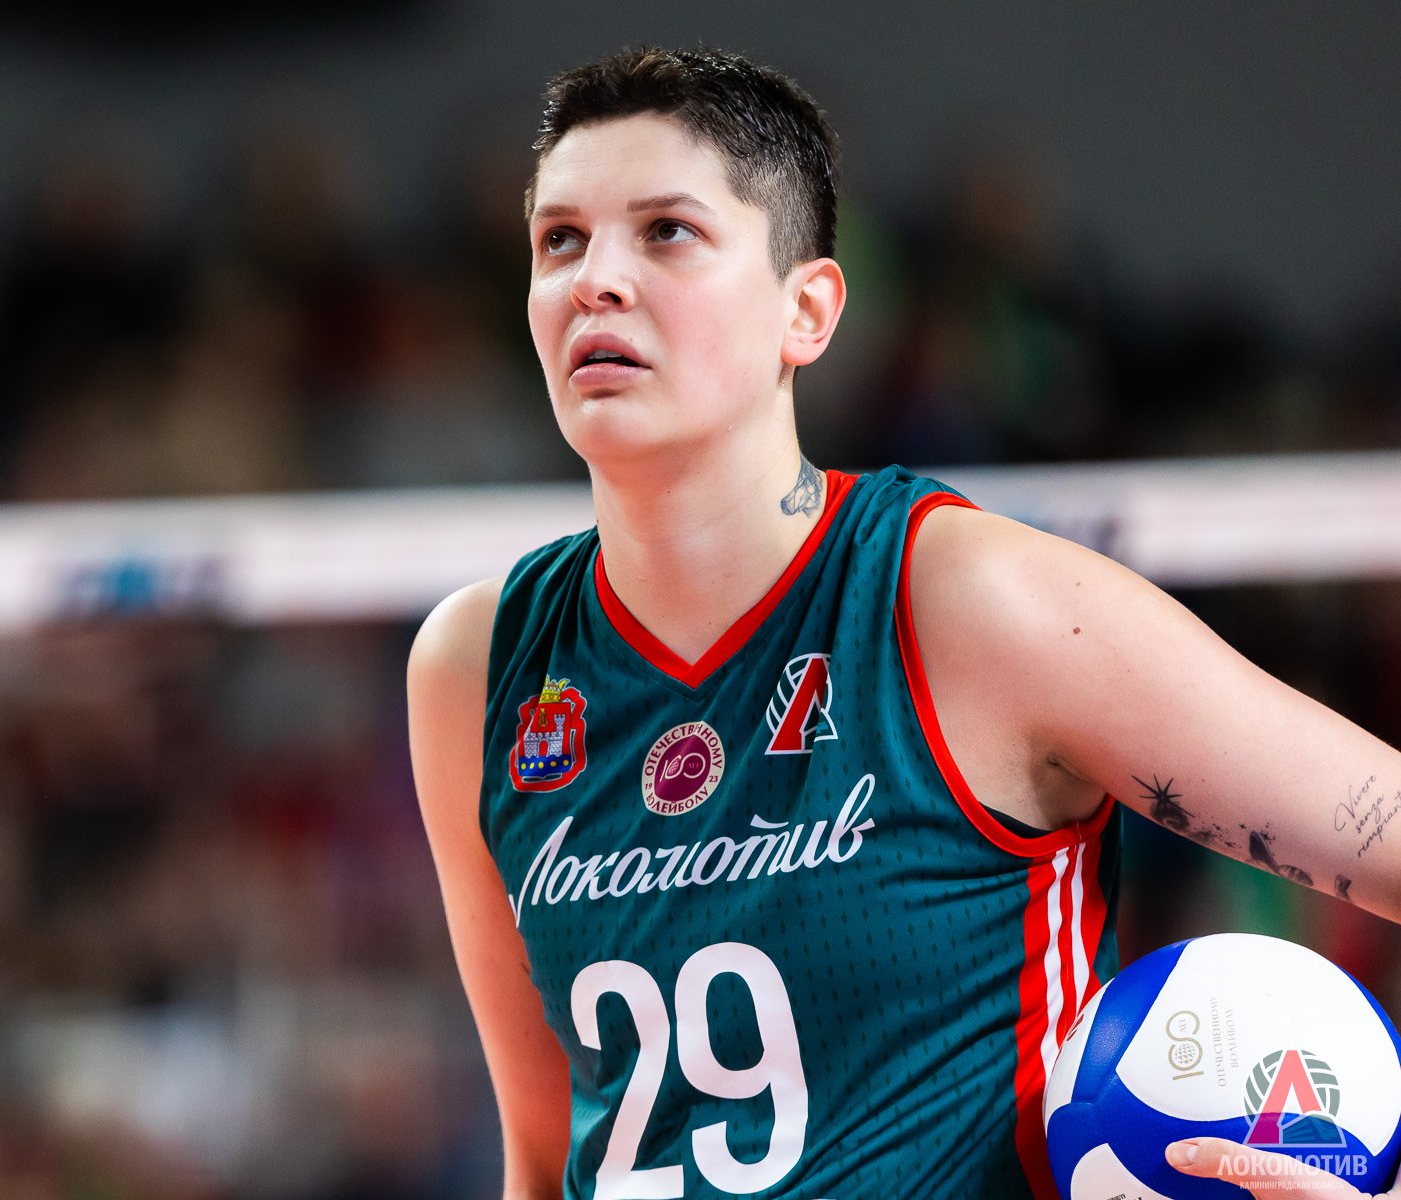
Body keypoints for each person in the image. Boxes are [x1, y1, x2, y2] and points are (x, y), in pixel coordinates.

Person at [405, 45, 1401, 1200]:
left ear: (807, 311)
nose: (596, 280)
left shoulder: (966, 600)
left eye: (667, 231)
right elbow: (543, 1159)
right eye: (560, 240)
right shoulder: (476, 667)